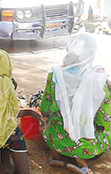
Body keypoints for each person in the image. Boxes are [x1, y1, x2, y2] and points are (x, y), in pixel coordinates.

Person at [40, 34, 111, 174]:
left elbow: (45, 108)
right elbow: (105, 119)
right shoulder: (98, 80)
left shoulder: (54, 75)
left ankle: (56, 153)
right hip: (88, 147)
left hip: (54, 140)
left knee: (49, 124)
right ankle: (80, 158)